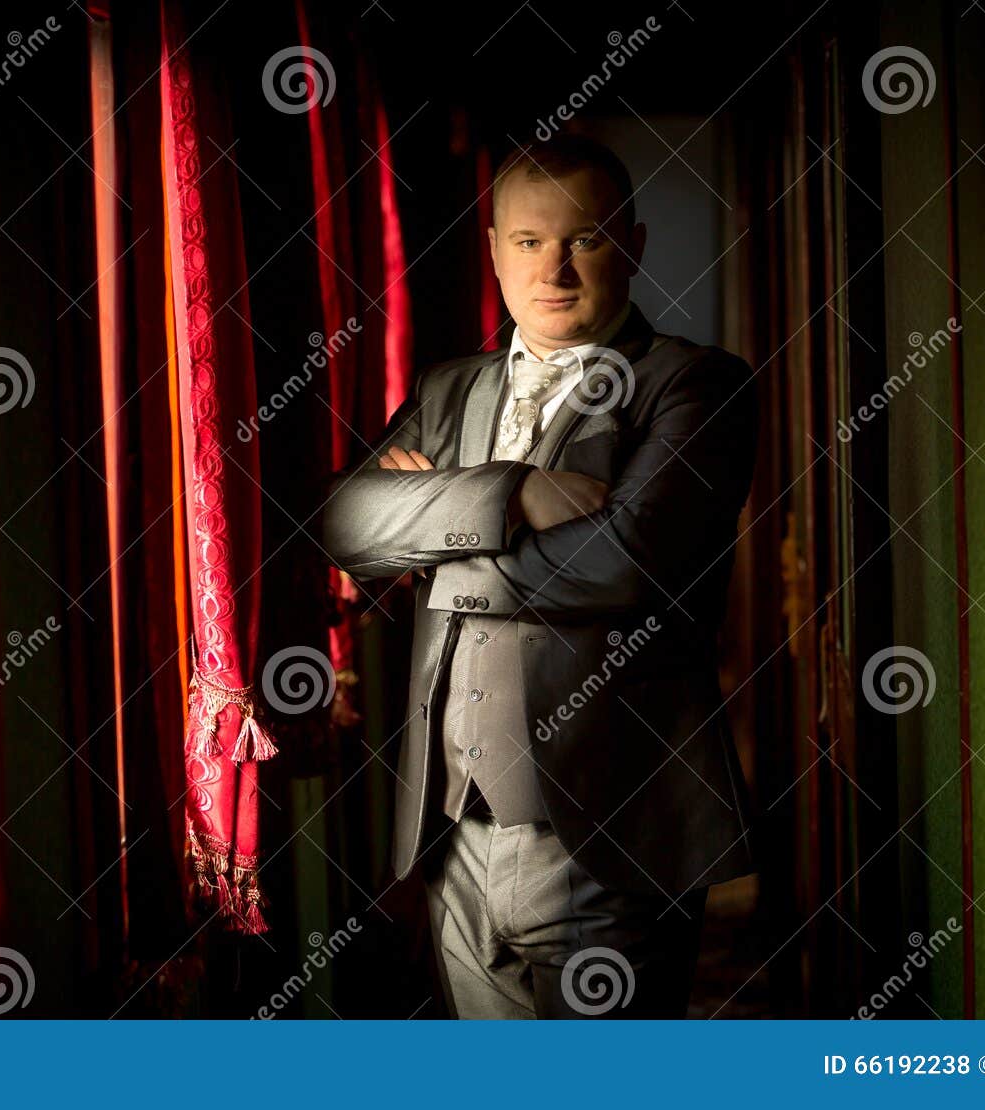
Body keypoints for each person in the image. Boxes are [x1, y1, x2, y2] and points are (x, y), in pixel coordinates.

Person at [322, 133, 760, 1018]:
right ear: (493, 250)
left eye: (585, 239)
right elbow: (343, 525)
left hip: (616, 837)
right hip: (454, 836)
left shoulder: (694, 384)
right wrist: (512, 492)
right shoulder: (449, 389)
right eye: (528, 241)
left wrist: (437, 540)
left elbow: (629, 562)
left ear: (631, 245)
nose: (553, 267)